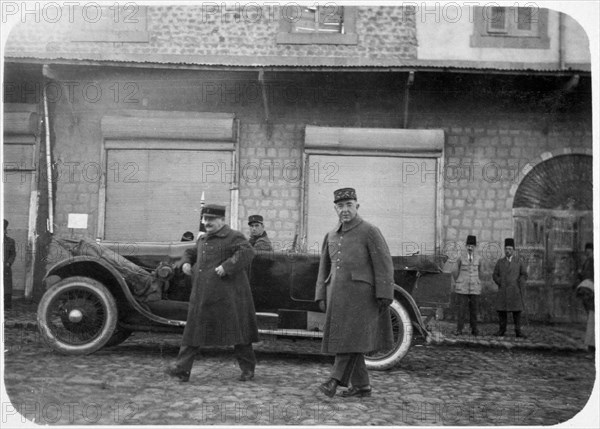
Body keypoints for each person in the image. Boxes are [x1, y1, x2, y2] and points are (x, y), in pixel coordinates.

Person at [315, 188, 394, 398]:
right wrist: (321, 294)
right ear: (335, 209)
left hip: (362, 298)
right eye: (340, 206)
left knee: (348, 337)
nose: (345, 210)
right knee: (352, 340)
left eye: (349, 205)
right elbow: (324, 267)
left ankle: (334, 380)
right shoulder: (330, 235)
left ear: (357, 206)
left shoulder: (370, 231)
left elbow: (384, 263)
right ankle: (362, 386)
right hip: (337, 298)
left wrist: (385, 292)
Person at [165, 204, 258, 382]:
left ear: (222, 220)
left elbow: (248, 251)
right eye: (205, 219)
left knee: (238, 332)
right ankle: (182, 369)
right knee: (193, 331)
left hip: (227, 296)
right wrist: (186, 262)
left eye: (211, 220)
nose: (207, 223)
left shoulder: (233, 236)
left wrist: (227, 266)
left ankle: (248, 369)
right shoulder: (203, 239)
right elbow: (191, 252)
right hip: (203, 295)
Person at [492, 238, 528, 338]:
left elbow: (524, 274)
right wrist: (500, 282)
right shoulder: (500, 262)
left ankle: (518, 331)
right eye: (506, 248)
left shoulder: (519, 261)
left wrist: (520, 281)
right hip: (503, 290)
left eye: (510, 249)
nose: (508, 251)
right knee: (502, 311)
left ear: (513, 250)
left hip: (515, 290)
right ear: (504, 249)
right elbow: (494, 275)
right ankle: (502, 330)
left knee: (517, 312)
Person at [454, 235, 482, 336]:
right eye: (468, 246)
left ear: (475, 247)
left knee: (474, 310)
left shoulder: (479, 258)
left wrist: (476, 281)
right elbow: (455, 272)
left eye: (472, 246)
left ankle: (474, 329)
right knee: (461, 309)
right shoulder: (461, 258)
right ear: (466, 246)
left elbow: (480, 272)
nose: (470, 248)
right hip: (463, 288)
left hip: (474, 287)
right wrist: (459, 281)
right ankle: (459, 329)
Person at [575, 242, 594, 351]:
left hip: (591, 290)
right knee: (590, 316)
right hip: (588, 289)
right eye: (586, 251)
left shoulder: (592, 261)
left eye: (589, 251)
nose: (587, 253)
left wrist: (582, 273)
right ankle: (591, 344)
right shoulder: (587, 260)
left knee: (592, 317)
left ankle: (593, 344)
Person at [4, 219, 16, 310]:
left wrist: (9, 262)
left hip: (5, 267)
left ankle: (7, 305)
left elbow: (13, 253)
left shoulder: (10, 241)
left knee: (7, 287)